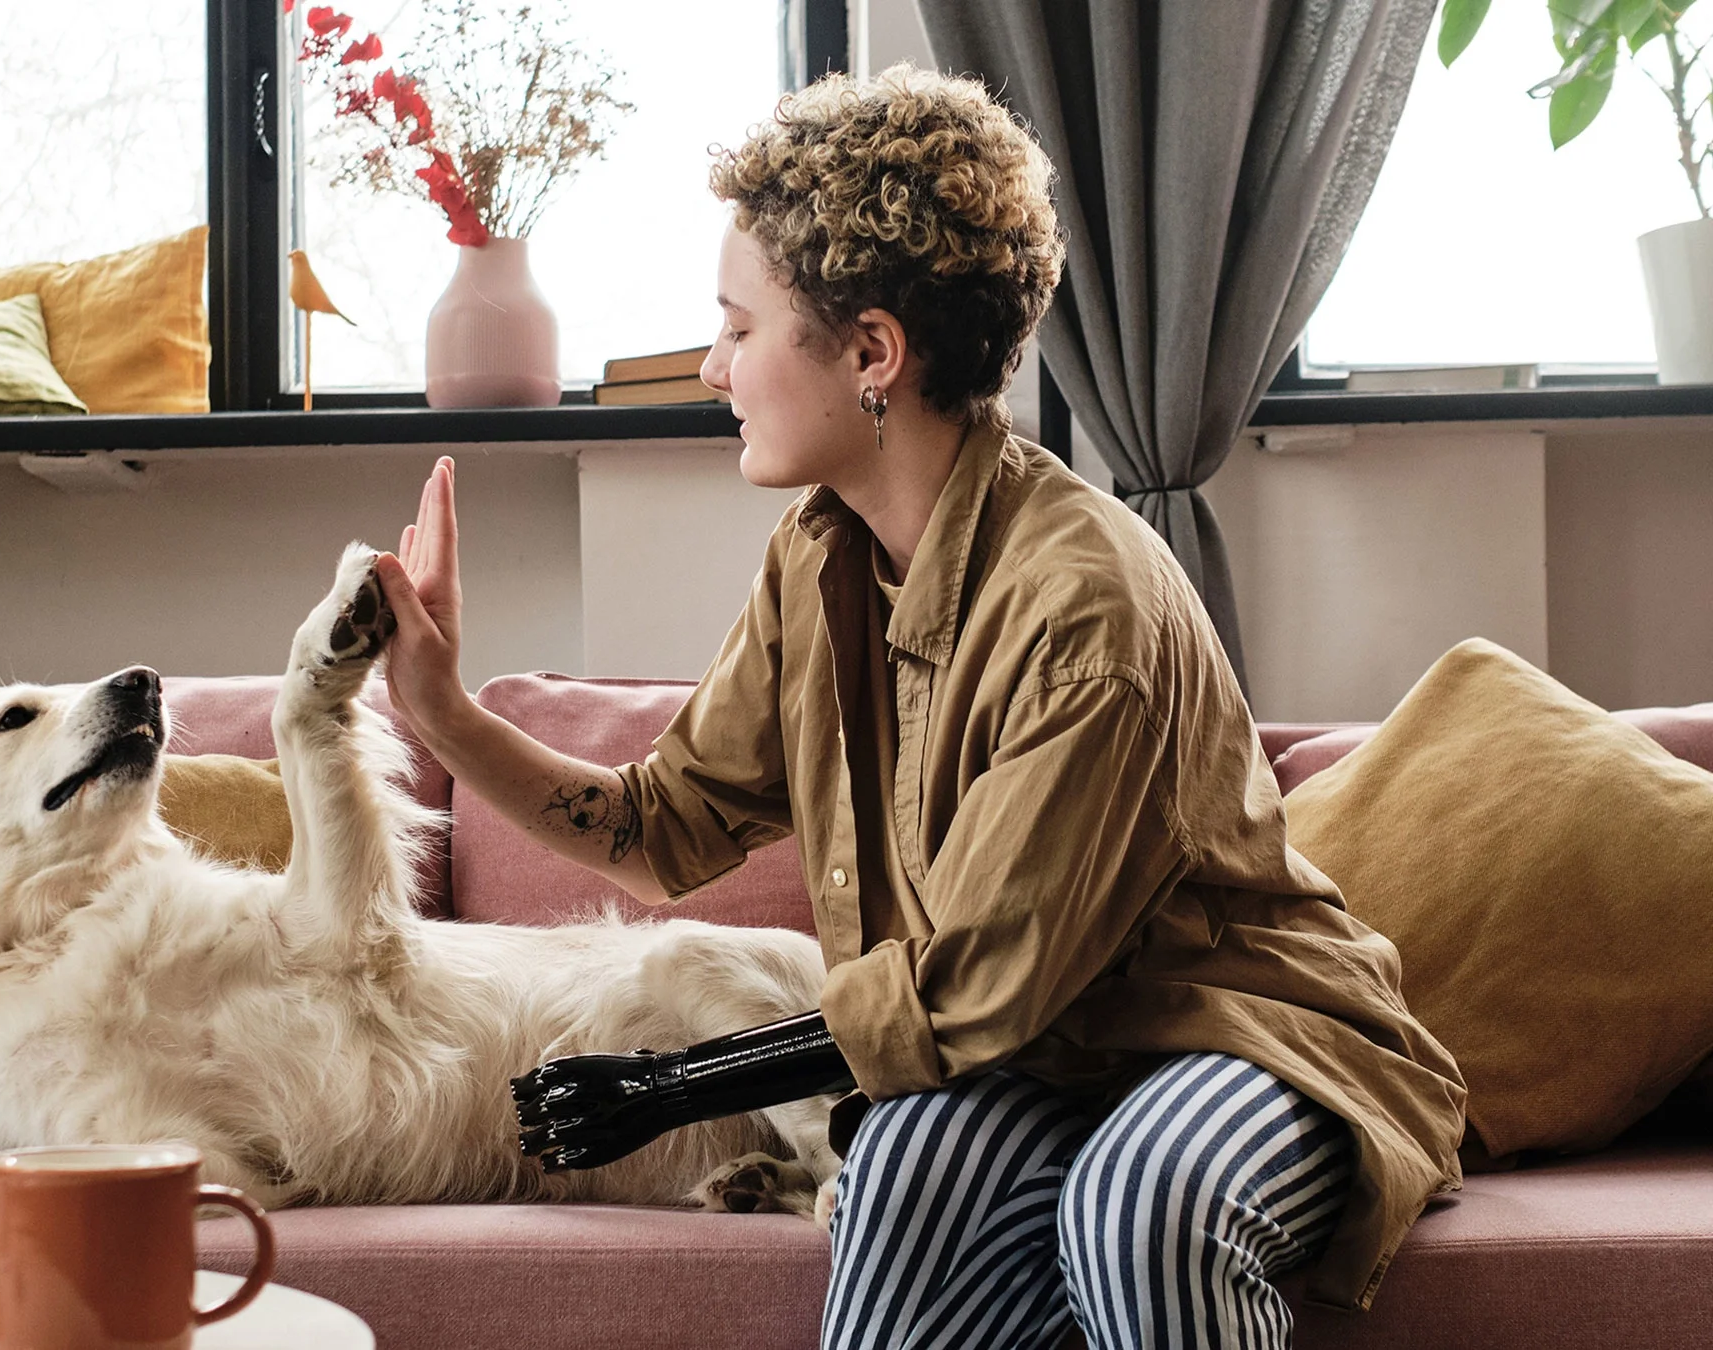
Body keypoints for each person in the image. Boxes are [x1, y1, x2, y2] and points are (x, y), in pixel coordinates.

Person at [370, 66, 1465, 1350]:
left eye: (737, 326)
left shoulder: (1083, 610)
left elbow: (962, 989)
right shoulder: (818, 553)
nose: (715, 365)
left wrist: (669, 1087)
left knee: (1141, 1200)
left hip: (1237, 1037)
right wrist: (440, 713)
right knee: (903, 1169)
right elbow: (664, 826)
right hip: (1036, 1061)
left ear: (873, 353)